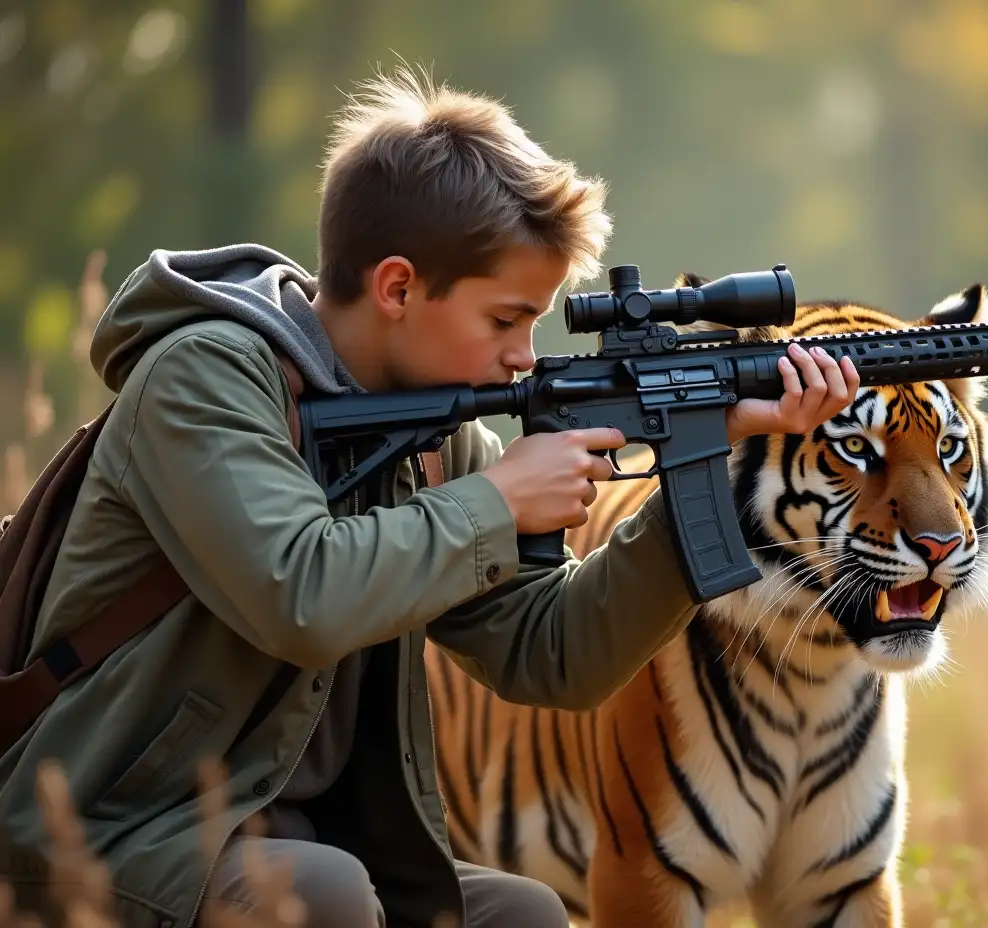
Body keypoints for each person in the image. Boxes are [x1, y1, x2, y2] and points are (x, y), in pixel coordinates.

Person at [0, 66, 860, 928]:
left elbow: (552, 655)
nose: (526, 355)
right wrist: (498, 499)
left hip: (297, 843)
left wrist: (700, 471)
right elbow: (301, 594)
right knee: (323, 899)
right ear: (399, 288)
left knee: (520, 916)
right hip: (97, 835)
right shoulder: (205, 378)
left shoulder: (439, 434)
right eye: (504, 320)